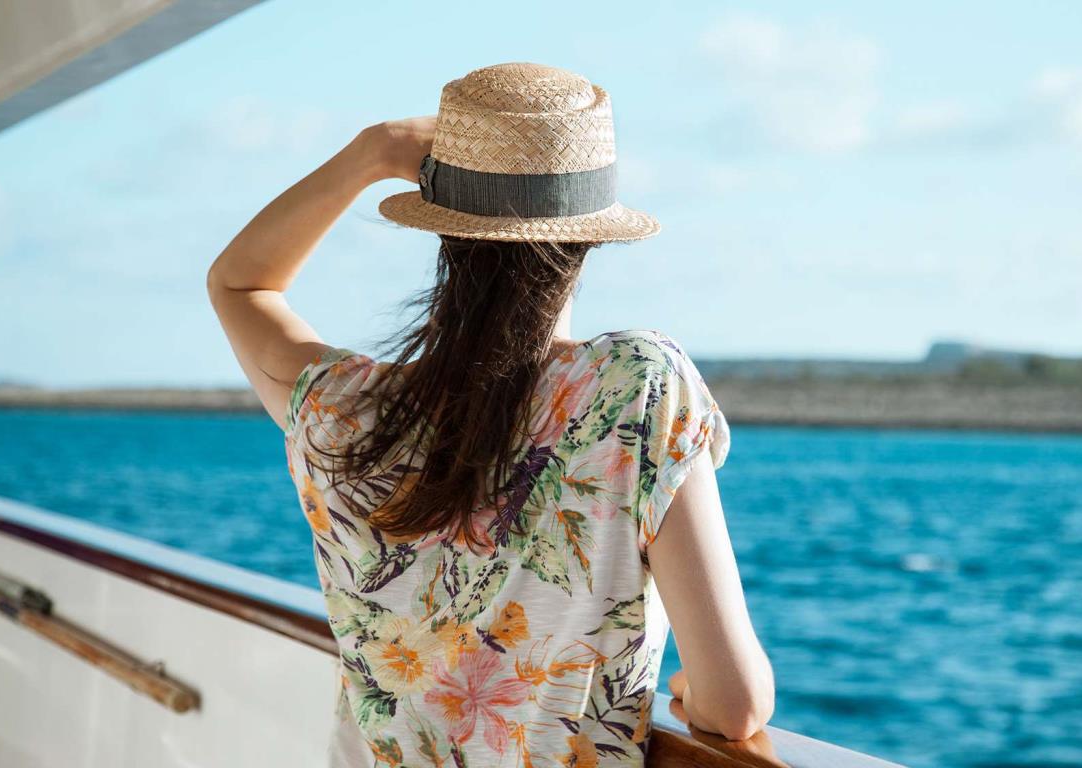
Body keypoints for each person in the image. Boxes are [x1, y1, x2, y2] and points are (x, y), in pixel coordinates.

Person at [207, 62, 774, 767]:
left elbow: (240, 283)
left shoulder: (342, 410)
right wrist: (690, 694)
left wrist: (371, 152)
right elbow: (735, 704)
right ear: (591, 234)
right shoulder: (633, 388)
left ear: (442, 233)